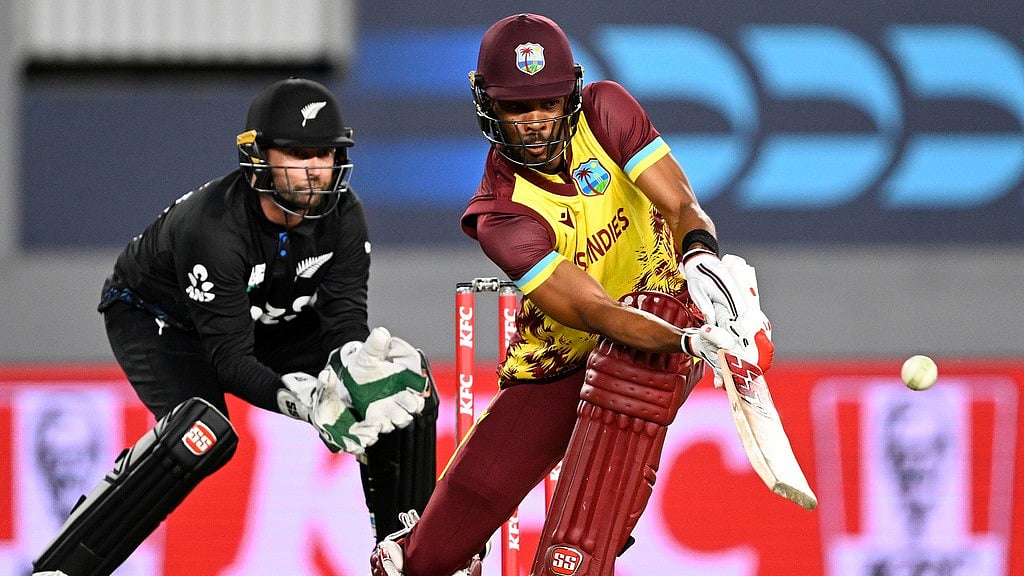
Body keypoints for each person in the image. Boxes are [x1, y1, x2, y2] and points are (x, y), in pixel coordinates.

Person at [370, 13, 774, 576]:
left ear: (572, 95)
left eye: (548, 102)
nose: (535, 120)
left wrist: (702, 261)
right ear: (489, 106)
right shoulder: (500, 213)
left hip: (654, 336)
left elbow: (682, 206)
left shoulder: (607, 110)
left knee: (633, 367)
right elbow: (593, 311)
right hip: (562, 359)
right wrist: (693, 341)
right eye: (516, 107)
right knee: (422, 564)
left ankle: (590, 543)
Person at [31, 77, 438, 576]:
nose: (314, 170)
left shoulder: (346, 216)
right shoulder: (214, 229)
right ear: (259, 158)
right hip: (162, 322)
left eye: (324, 155)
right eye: (297, 154)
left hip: (271, 318)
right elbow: (229, 360)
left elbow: (344, 323)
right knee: (199, 431)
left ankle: (409, 551)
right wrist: (309, 402)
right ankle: (72, 561)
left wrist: (350, 372)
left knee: (397, 385)